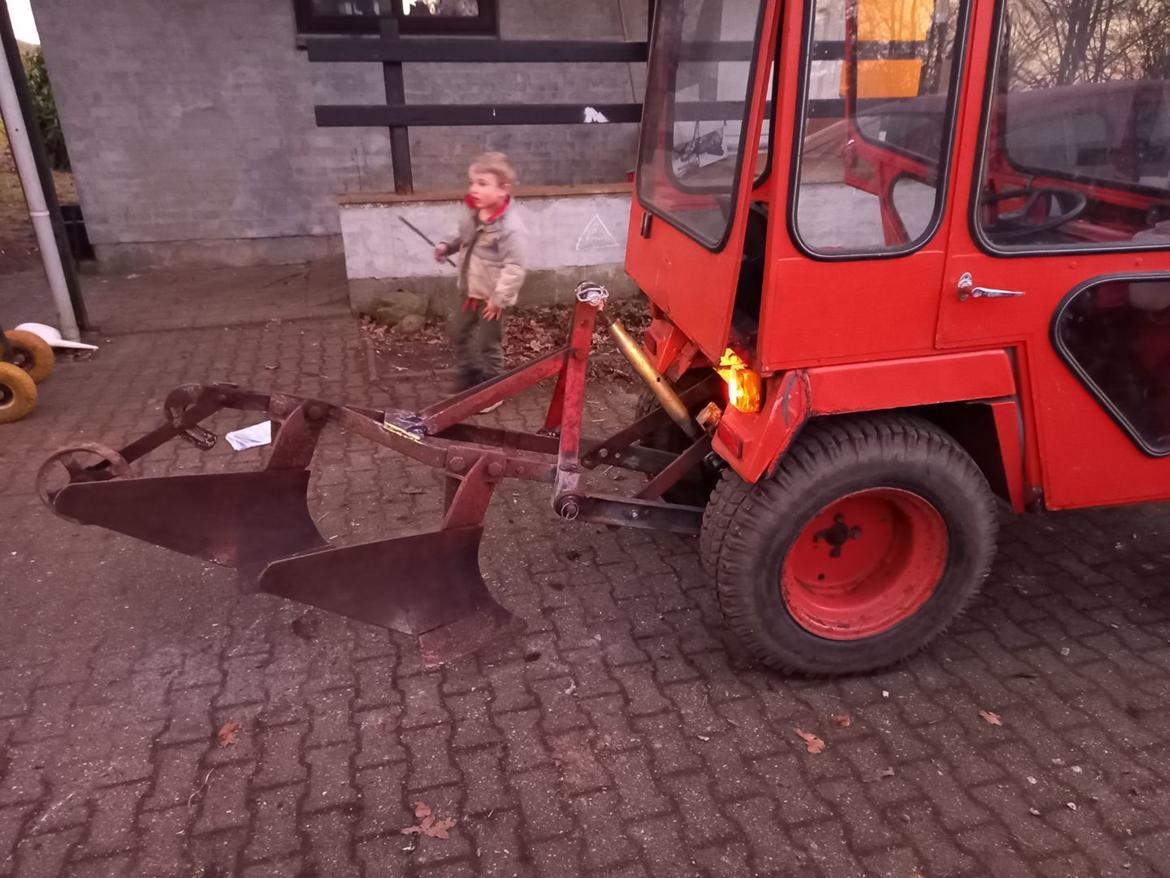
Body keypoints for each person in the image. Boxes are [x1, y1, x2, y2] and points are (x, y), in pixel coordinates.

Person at [435, 152, 528, 399]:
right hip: (468, 289)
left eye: (482, 183)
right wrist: (447, 246)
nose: (474, 189)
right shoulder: (473, 211)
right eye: (472, 182)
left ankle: (493, 390)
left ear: (503, 190)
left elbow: (514, 268)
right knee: (457, 331)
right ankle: (471, 374)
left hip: (491, 299)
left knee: (489, 345)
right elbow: (462, 234)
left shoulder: (511, 228)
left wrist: (499, 299)